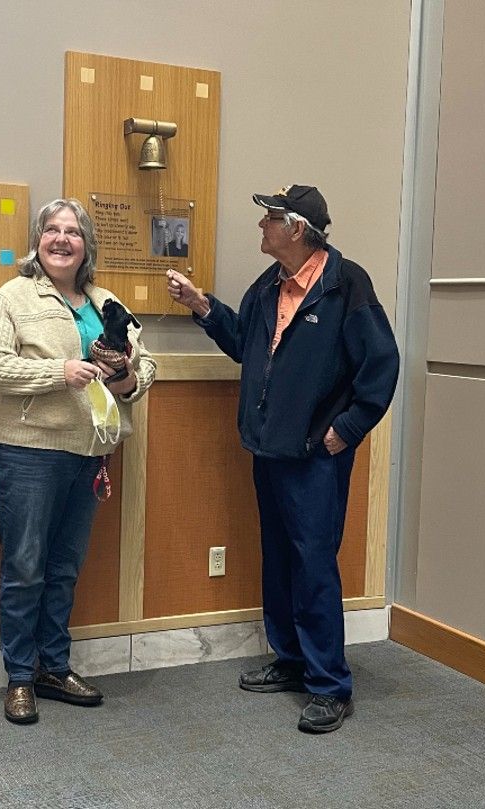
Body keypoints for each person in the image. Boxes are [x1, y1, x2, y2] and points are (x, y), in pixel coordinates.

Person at [166, 184, 398, 734]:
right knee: (279, 558)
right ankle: (292, 661)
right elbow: (246, 341)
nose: (261, 228)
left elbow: (382, 367)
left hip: (316, 455)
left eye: (269, 219)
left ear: (296, 228)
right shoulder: (268, 285)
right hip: (269, 448)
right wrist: (204, 308)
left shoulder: (347, 285)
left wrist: (346, 430)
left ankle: (329, 685)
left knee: (314, 565)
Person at [0, 198, 156, 725]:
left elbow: (144, 371)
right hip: (27, 451)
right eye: (51, 230)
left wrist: (123, 376)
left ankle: (54, 666)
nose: (61, 239)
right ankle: (21, 677)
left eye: (72, 232)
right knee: (25, 567)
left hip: (91, 453)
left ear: (86, 245)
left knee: (64, 569)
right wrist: (60, 371)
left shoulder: (105, 302)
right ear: (37, 241)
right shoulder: (13, 296)